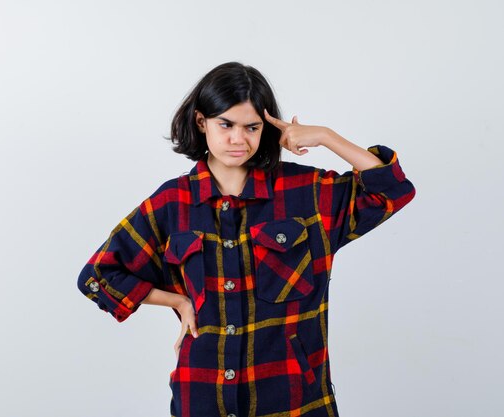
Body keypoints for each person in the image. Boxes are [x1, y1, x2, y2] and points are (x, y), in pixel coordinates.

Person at [77, 61, 416, 417]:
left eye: (251, 127)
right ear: (201, 122)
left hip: (293, 398)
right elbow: (97, 277)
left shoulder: (307, 193)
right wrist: (177, 301)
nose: (238, 139)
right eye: (226, 124)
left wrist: (327, 137)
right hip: (203, 396)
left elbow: (391, 190)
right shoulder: (172, 202)